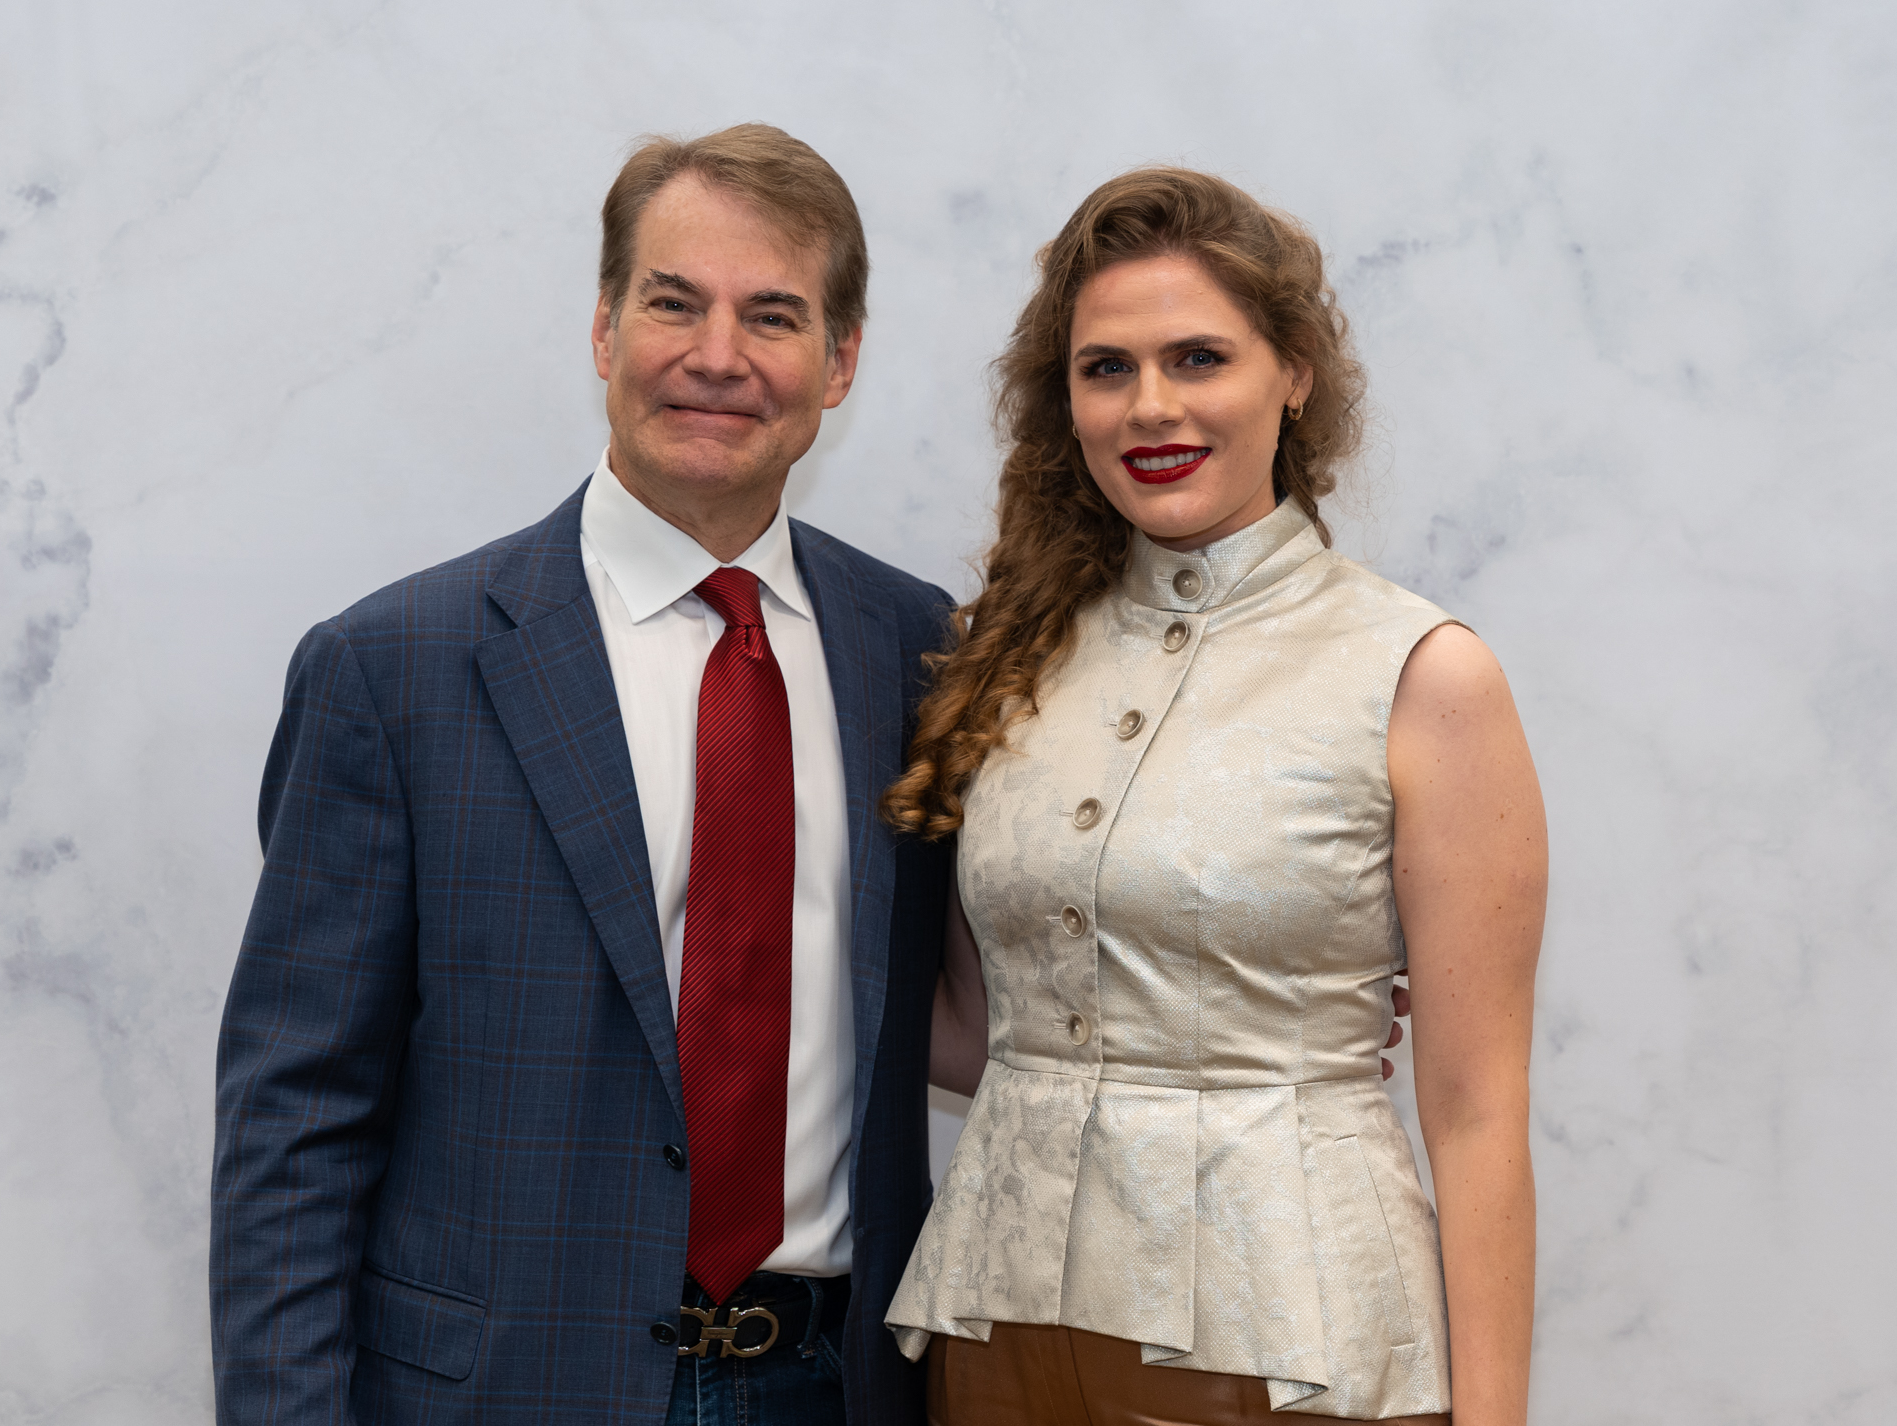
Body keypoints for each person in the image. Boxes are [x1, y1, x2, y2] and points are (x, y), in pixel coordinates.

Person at [210, 125, 956, 1426]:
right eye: (673, 303)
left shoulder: (917, 653)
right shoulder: (393, 668)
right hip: (502, 1392)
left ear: (839, 362)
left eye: (772, 315)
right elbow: (296, 1118)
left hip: (834, 1387)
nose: (716, 355)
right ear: (604, 329)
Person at [883, 169, 1547, 1425]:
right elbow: (983, 1028)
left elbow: (1474, 1113)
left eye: (1197, 357)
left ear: (1292, 372)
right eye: (1105, 368)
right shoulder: (1007, 656)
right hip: (994, 1336)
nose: (1151, 406)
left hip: (1292, 1350)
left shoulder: (1418, 673)